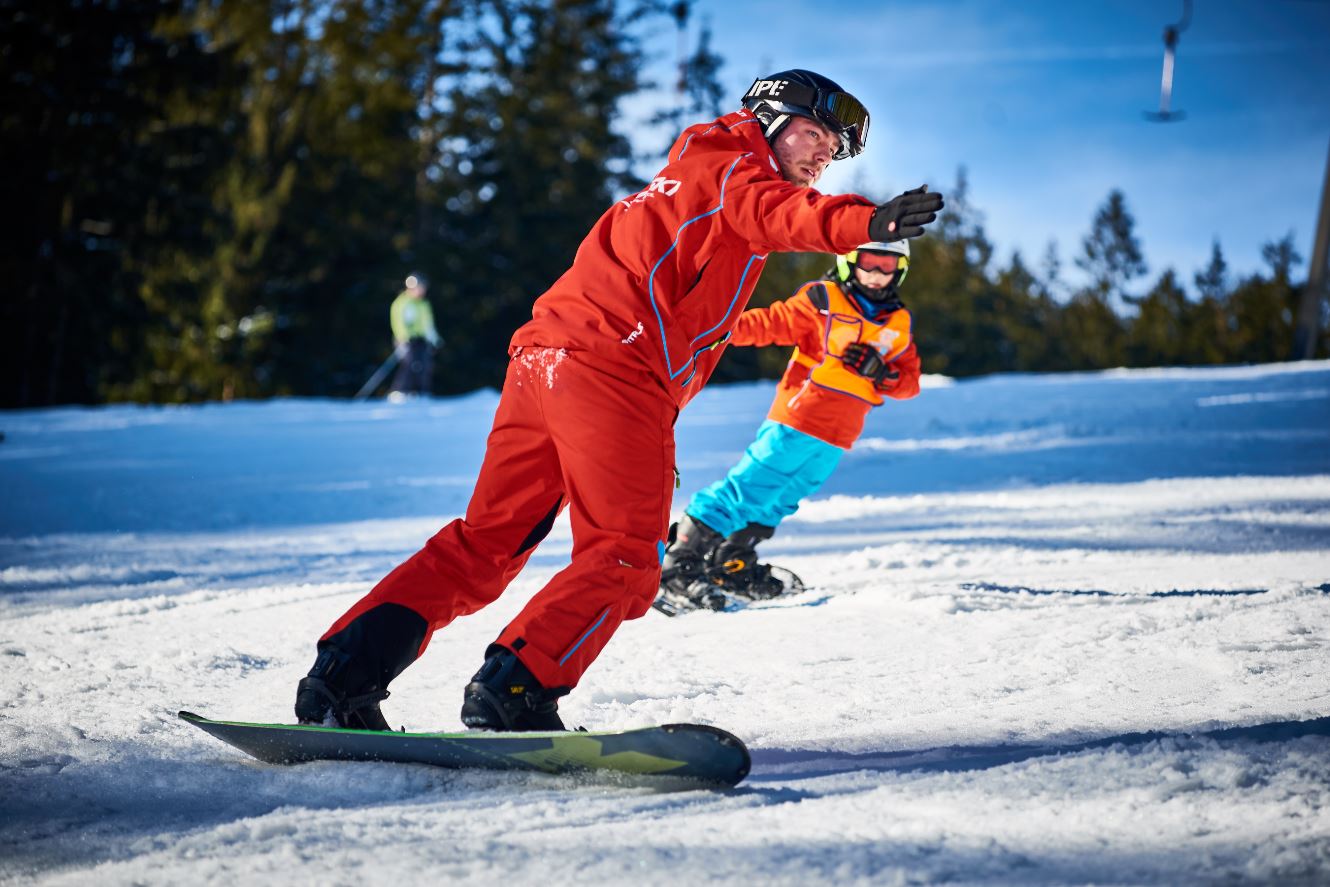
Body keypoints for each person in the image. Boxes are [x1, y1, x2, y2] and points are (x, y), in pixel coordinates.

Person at [293, 69, 944, 732]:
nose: (819, 157)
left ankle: (340, 678)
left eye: (831, 152)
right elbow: (779, 215)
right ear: (771, 120)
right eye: (813, 135)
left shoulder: (696, 172)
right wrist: (867, 220)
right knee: (628, 557)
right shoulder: (733, 171)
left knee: (486, 542)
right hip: (611, 370)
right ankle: (515, 691)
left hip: (546, 362)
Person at [658, 240, 923, 611]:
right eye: (869, 262)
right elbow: (769, 323)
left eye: (887, 265)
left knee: (780, 500)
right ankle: (678, 565)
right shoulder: (824, 300)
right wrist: (710, 325)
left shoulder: (898, 322)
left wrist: (883, 372)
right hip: (797, 420)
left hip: (838, 435)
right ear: (848, 262)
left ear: (901, 269)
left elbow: (910, 383)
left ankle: (729, 563)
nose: (877, 273)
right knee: (747, 488)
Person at [388, 273, 441, 398]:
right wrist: (403, 337)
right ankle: (400, 391)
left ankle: (420, 392)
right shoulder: (402, 302)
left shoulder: (423, 304)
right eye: (420, 288)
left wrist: (435, 340)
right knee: (409, 364)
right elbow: (398, 321)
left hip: (421, 340)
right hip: (406, 340)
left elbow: (428, 324)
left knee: (424, 365)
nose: (422, 291)